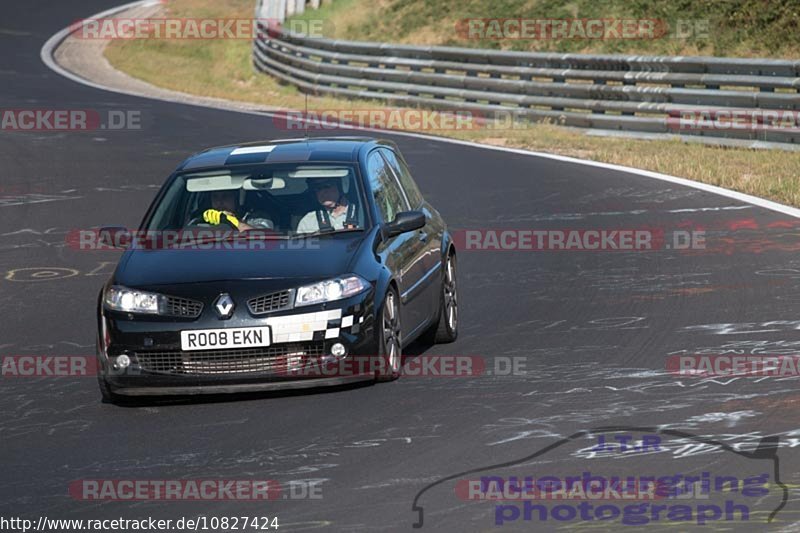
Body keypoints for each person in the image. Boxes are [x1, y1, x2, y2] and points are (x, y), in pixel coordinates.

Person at [201, 189, 274, 231]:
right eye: (215, 197)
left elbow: (264, 238)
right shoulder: (200, 220)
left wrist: (235, 223)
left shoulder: (257, 217)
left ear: (237, 199)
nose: (219, 202)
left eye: (225, 196)